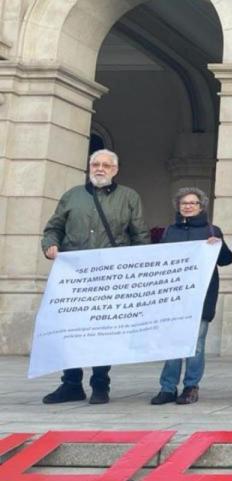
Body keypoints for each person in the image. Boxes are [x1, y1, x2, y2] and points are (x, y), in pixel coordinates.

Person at [40, 149, 149, 405]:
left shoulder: (129, 197)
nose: (100, 169)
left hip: (109, 276)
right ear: (89, 167)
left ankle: (100, 384)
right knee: (71, 330)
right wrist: (50, 245)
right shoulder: (72, 196)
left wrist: (135, 270)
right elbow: (53, 228)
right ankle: (71, 383)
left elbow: (140, 235)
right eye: (96, 164)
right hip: (74, 276)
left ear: (115, 170)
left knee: (103, 330)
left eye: (106, 166)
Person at [151, 187, 232, 405]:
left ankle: (190, 386)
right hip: (174, 297)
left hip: (202, 296)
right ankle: (167, 387)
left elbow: (226, 260)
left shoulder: (212, 230)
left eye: (192, 203)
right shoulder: (169, 231)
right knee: (172, 343)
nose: (188, 206)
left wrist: (219, 246)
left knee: (195, 344)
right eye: (184, 203)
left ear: (201, 206)